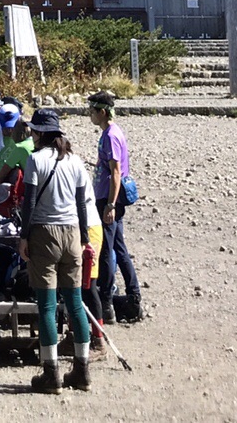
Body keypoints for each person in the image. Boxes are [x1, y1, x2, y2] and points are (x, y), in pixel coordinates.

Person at [18, 108, 94, 391]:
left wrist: (23, 237)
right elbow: (81, 203)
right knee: (75, 303)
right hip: (73, 233)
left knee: (47, 305)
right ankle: (82, 371)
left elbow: (29, 202)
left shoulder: (35, 160)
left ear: (39, 133)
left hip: (44, 233)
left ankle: (51, 374)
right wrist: (84, 238)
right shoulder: (74, 161)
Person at [87, 91, 143, 323]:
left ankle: (107, 302)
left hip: (109, 199)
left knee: (105, 250)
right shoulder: (113, 133)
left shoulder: (110, 135)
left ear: (102, 112)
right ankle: (133, 296)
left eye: (91, 111)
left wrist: (110, 204)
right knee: (119, 247)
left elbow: (117, 171)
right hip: (111, 197)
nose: (89, 115)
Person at [0, 99, 33, 203]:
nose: (9, 131)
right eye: (5, 127)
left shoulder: (24, 142)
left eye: (12, 127)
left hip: (19, 191)